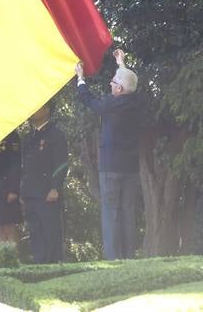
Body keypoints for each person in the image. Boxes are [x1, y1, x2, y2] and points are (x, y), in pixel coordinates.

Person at [76, 48, 142, 260]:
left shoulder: (112, 104)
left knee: (111, 213)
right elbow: (129, 83)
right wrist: (121, 64)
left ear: (119, 88)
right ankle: (129, 257)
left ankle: (114, 259)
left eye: (113, 82)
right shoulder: (136, 102)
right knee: (128, 213)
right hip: (131, 168)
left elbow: (90, 101)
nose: (110, 83)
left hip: (111, 168)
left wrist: (80, 79)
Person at [20, 101, 68, 263]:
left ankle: (54, 268)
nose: (33, 110)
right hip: (30, 194)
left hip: (47, 193)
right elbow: (24, 167)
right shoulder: (28, 137)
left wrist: (55, 188)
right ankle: (40, 267)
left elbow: (61, 164)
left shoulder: (55, 135)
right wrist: (22, 190)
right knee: (35, 234)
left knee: (51, 234)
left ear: (47, 110)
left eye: (38, 106)